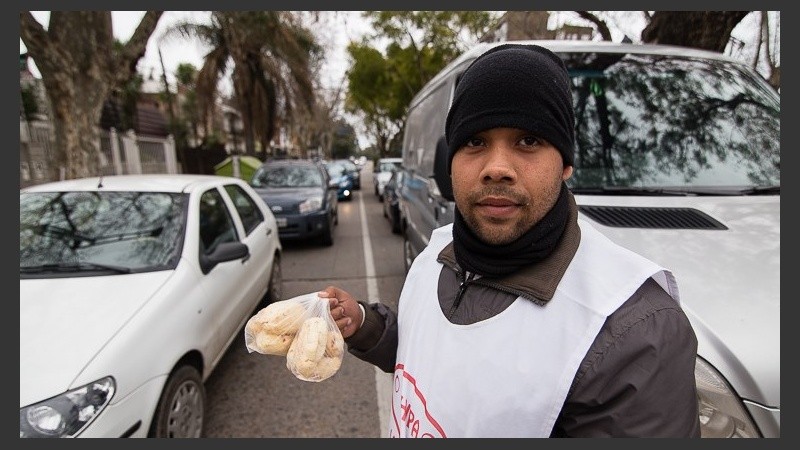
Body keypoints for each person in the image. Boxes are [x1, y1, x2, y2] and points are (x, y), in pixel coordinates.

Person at [320, 43, 701, 438]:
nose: (497, 168)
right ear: (449, 163)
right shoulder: (437, 251)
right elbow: (428, 354)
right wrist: (365, 324)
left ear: (566, 163)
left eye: (528, 140)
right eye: (475, 142)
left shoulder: (631, 332)